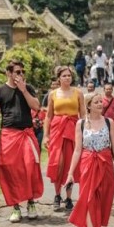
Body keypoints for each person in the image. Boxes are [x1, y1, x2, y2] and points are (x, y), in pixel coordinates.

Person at [66, 93, 114, 227]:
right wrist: (71, 173)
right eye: (97, 102)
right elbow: (77, 150)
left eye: (101, 101)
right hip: (88, 164)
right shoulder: (80, 124)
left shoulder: (109, 122)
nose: (100, 104)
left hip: (106, 163)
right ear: (88, 105)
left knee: (104, 201)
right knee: (89, 200)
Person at [0, 61, 44, 223]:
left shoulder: (28, 88)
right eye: (17, 72)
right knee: (11, 171)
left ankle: (31, 202)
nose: (20, 75)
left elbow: (36, 107)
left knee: (30, 168)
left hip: (27, 133)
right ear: (8, 73)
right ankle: (15, 207)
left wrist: (24, 90)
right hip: (8, 134)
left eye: (22, 72)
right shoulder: (0, 91)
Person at [46, 66, 86, 212]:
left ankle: (69, 197)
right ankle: (57, 194)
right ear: (59, 78)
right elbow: (48, 116)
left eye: (69, 75)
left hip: (73, 128)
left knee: (71, 163)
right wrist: (46, 135)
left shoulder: (78, 93)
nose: (67, 78)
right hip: (57, 130)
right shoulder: (53, 94)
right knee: (58, 162)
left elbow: (83, 114)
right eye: (64, 76)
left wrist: (85, 131)